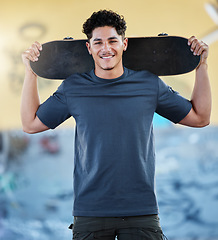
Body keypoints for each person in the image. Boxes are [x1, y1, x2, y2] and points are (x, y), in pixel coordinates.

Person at [21, 9, 211, 240]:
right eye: (98, 42)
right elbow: (30, 123)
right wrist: (30, 72)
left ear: (124, 43)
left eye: (113, 40)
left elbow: (200, 118)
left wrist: (201, 66)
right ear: (89, 48)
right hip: (90, 213)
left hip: (141, 211)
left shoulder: (149, 84)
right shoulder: (73, 88)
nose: (106, 48)